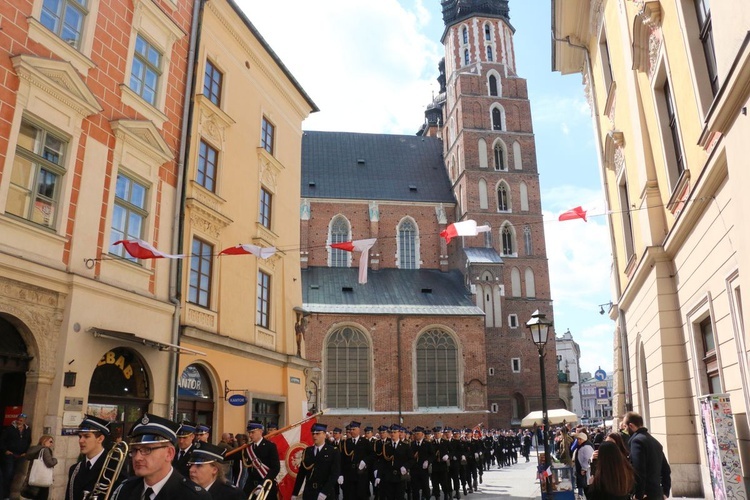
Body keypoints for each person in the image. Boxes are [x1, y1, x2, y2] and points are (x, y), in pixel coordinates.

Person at [110, 413, 210, 500]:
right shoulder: (125, 489)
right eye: (135, 450)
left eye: (147, 449)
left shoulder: (193, 496)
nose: (137, 457)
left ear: (169, 453)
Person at [622, 412, 671, 500]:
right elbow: (666, 470)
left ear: (631, 425)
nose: (624, 430)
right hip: (657, 493)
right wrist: (665, 492)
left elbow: (639, 470)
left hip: (645, 494)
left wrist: (638, 495)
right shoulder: (654, 441)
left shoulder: (636, 441)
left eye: (625, 427)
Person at [65, 415, 111, 500]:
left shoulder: (113, 467)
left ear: (100, 439)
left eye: (86, 436)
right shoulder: (74, 469)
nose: (80, 440)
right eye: (80, 436)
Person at [292, 423, 340, 500]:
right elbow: (301, 474)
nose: (314, 436)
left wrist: (325, 492)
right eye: (313, 434)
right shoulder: (308, 451)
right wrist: (295, 493)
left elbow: (334, 474)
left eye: (318, 433)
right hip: (309, 492)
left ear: (324, 434)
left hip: (325, 493)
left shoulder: (333, 451)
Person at [242, 420, 280, 500]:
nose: (250, 435)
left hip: (266, 485)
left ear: (260, 431)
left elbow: (275, 468)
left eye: (252, 432)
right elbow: (231, 455)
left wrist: (262, 484)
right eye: (249, 433)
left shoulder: (270, 446)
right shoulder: (248, 448)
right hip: (251, 486)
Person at [1, 412, 31, 499]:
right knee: (8, 474)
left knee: (17, 475)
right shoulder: (10, 429)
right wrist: (5, 450)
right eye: (18, 420)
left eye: (21, 420)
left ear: (25, 421)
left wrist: (26, 451)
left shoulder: (27, 430)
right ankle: (5, 495)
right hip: (10, 454)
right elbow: (2, 440)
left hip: (21, 456)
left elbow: (28, 441)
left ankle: (13, 495)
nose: (19, 422)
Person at [341, 421, 373, 500]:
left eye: (353, 429)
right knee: (349, 496)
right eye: (350, 430)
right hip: (349, 474)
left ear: (359, 430)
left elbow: (372, 455)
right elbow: (342, 459)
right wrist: (341, 474)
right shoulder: (346, 443)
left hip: (361, 474)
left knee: (361, 495)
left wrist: (365, 461)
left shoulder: (365, 442)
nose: (351, 431)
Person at [21, 435, 57, 500]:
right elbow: (49, 463)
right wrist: (55, 460)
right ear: (44, 441)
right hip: (42, 479)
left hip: (34, 478)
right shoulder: (45, 450)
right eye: (50, 441)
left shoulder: (35, 449)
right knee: (42, 496)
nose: (52, 444)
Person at [410, 427, 433, 500]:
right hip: (414, 470)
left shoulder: (427, 444)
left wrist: (428, 461)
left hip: (424, 470)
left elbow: (432, 455)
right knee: (415, 489)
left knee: (425, 487)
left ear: (422, 434)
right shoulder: (412, 444)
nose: (416, 435)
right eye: (415, 434)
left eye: (418, 434)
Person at [572, 432, 594, 498]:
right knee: (585, 489)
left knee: (587, 490)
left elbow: (588, 459)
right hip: (584, 472)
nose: (578, 441)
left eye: (580, 439)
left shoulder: (586, 447)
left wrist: (584, 468)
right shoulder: (582, 446)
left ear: (584, 439)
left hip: (586, 473)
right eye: (578, 439)